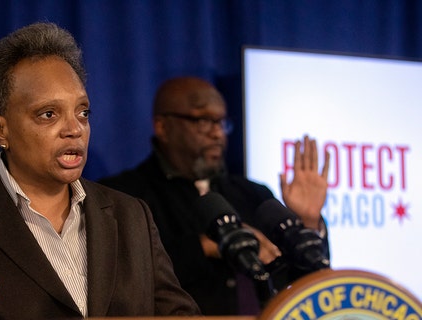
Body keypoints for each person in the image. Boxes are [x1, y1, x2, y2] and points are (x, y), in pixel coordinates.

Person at [0, 23, 200, 319]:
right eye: (49, 114)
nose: (75, 129)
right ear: (0, 130)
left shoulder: (131, 216)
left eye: (83, 112)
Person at [98, 76, 330, 315]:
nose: (218, 134)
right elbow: (122, 278)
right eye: (204, 121)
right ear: (162, 127)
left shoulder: (254, 195)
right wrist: (205, 246)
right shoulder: (122, 197)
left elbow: (304, 285)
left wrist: (307, 223)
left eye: (221, 123)